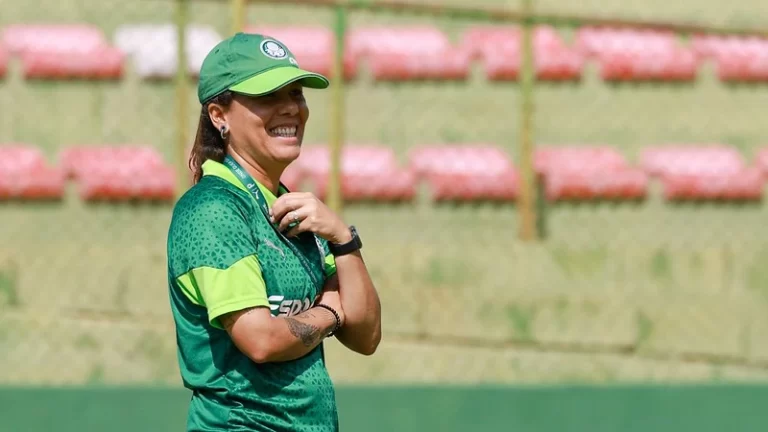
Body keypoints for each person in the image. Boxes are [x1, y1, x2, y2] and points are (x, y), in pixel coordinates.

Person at [166, 32, 382, 432]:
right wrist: (331, 312)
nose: (290, 108)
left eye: (296, 93)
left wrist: (343, 239)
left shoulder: (296, 210)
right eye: (267, 96)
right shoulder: (212, 210)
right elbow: (260, 340)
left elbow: (366, 336)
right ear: (219, 115)